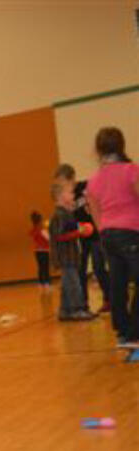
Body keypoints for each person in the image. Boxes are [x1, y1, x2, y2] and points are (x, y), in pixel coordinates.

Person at [85, 127, 139, 348]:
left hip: (108, 235)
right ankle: (135, 333)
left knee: (118, 284)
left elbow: (96, 214)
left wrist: (106, 232)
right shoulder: (131, 171)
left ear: (98, 150)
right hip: (131, 233)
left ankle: (123, 331)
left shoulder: (93, 180)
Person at [54, 164, 110, 314]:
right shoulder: (65, 198)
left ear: (71, 178)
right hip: (81, 237)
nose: (60, 185)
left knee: (99, 268)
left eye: (62, 181)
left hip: (96, 235)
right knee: (80, 270)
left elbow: (100, 199)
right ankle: (83, 305)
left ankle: (108, 299)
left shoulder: (86, 187)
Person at [50, 181, 96, 322]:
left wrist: (81, 226)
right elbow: (59, 235)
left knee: (67, 284)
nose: (73, 195)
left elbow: (72, 225)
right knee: (73, 283)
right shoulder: (59, 215)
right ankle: (76, 309)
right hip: (65, 256)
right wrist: (79, 233)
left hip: (71, 255)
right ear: (60, 196)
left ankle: (65, 310)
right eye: (70, 193)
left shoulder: (67, 213)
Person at [29, 211, 51, 292]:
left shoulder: (33, 230)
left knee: (41, 267)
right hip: (44, 251)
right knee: (45, 267)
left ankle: (41, 283)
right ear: (40, 221)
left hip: (37, 251)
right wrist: (49, 230)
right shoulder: (42, 230)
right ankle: (47, 283)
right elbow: (49, 239)